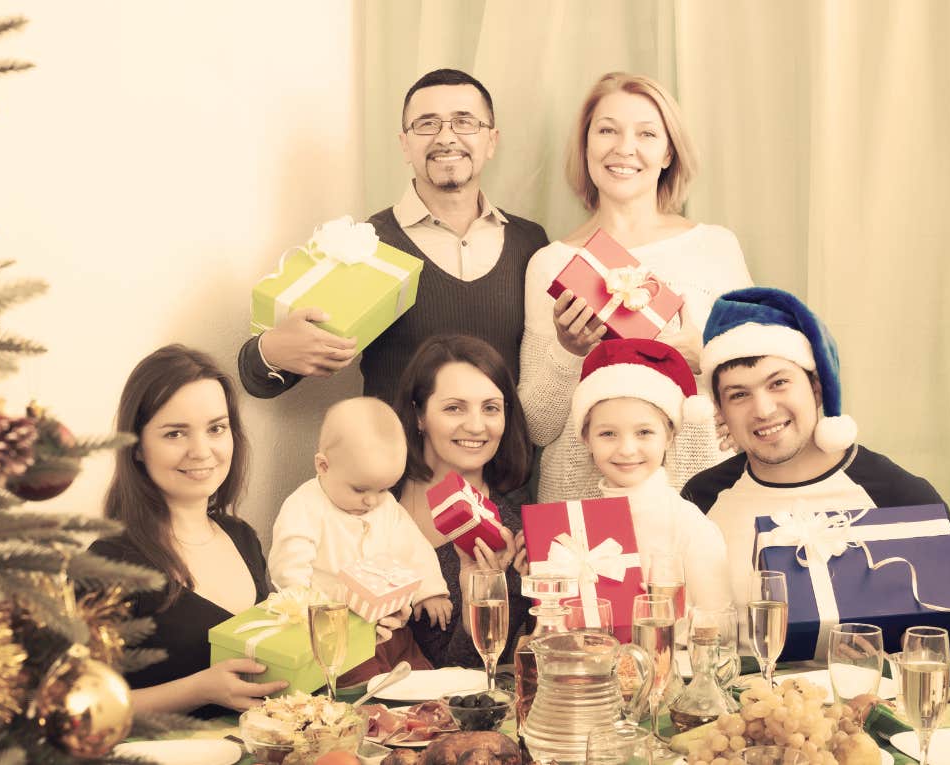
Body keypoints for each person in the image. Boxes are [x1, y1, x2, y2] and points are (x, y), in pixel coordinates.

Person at [681, 287, 950, 697]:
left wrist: (934, 688)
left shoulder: (897, 493)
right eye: (739, 394)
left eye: (778, 383)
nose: (762, 409)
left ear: (816, 387)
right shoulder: (701, 498)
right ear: (721, 411)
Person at [239, 68, 549, 403]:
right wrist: (270, 350)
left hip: (506, 455)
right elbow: (259, 378)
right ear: (405, 144)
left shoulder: (530, 243)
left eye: (464, 121)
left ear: (491, 141)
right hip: (397, 455)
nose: (446, 137)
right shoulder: (365, 248)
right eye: (427, 124)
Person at [518, 71, 752, 503]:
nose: (624, 148)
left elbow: (757, 387)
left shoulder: (715, 247)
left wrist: (703, 357)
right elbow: (536, 425)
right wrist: (568, 352)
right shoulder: (551, 263)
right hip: (584, 513)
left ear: (668, 153)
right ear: (586, 145)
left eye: (646, 133)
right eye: (607, 130)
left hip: (701, 497)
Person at [88, 345, 285, 718]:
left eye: (216, 428)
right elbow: (83, 708)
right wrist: (197, 690)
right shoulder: (108, 561)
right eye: (176, 434)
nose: (201, 450)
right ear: (137, 447)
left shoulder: (242, 536)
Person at [268, 397, 450, 682]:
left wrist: (430, 590)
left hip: (391, 626)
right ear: (323, 466)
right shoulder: (305, 507)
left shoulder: (385, 505)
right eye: (360, 489)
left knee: (421, 677)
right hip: (341, 634)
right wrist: (308, 613)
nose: (372, 500)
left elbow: (413, 548)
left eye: (383, 489)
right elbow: (290, 564)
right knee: (363, 689)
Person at [391, 334, 533, 668]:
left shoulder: (513, 536)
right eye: (454, 407)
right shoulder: (369, 504)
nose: (475, 425)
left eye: (491, 408)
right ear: (419, 415)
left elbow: (474, 679)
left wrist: (480, 605)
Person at [568, 338, 733, 614]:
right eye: (608, 434)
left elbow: (716, 624)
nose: (627, 449)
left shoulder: (690, 526)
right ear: (586, 438)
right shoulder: (576, 527)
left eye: (644, 432)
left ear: (668, 435)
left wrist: (661, 619)